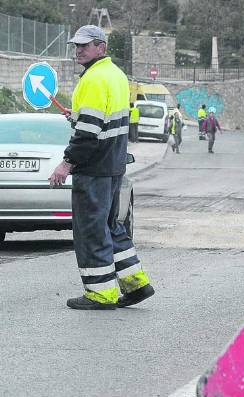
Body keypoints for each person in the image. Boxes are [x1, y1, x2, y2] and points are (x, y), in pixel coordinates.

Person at [48, 25, 155, 311]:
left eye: (85, 45)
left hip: (93, 167)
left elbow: (87, 133)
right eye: (76, 45)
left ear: (101, 48)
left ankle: (100, 293)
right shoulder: (117, 76)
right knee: (111, 226)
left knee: (91, 230)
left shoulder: (93, 80)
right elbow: (103, 121)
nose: (78, 50)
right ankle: (136, 284)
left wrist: (65, 164)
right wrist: (78, 116)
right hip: (113, 165)